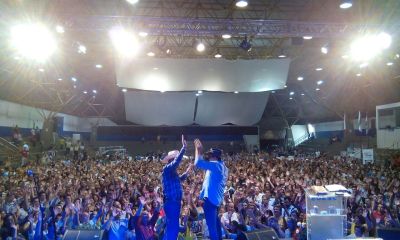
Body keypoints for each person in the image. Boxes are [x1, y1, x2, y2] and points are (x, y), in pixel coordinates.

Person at [194, 139, 229, 240]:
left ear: (215, 157)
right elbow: (207, 183)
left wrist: (198, 149)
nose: (208, 157)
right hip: (214, 200)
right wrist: (201, 196)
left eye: (210, 155)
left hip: (210, 201)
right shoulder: (221, 167)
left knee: (212, 228)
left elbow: (198, 163)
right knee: (216, 226)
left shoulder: (217, 166)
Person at [161, 135, 192, 240]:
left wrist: (187, 172)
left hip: (175, 203)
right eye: (177, 160)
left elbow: (180, 179)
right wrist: (184, 148)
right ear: (171, 160)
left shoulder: (173, 173)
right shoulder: (167, 169)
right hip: (172, 203)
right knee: (173, 228)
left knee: (172, 227)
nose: (179, 163)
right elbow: (176, 163)